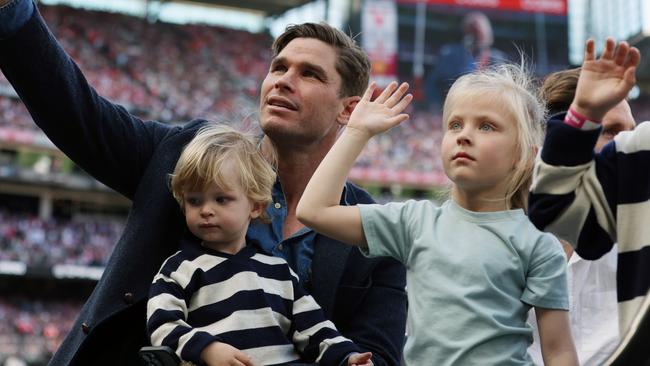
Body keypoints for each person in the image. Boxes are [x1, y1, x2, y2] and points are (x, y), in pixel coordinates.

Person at [0, 1, 407, 365]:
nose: (283, 79)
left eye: (310, 74)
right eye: (278, 67)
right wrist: (13, 11)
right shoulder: (189, 153)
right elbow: (79, 116)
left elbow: (378, 355)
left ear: (348, 110)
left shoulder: (374, 234)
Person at [297, 66, 578, 365]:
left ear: (525, 154)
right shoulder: (414, 221)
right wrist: (356, 132)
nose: (464, 136)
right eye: (455, 125)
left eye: (486, 126)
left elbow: (558, 349)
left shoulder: (538, 244)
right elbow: (314, 210)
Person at [146, 125, 372, 366]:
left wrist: (347, 356)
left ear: (255, 206)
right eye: (194, 201)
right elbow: (163, 326)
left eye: (221, 199)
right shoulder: (178, 270)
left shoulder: (279, 271)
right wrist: (206, 349)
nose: (206, 210)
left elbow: (315, 329)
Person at [528, 38, 647, 338]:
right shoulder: (496, 239)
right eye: (609, 131)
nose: (625, 146)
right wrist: (585, 111)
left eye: (631, 133)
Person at [425, 11, 509, 110]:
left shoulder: (498, 59)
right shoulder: (450, 54)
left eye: (479, 32)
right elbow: (433, 84)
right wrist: (438, 107)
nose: (475, 36)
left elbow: (504, 92)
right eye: (472, 31)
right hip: (455, 107)